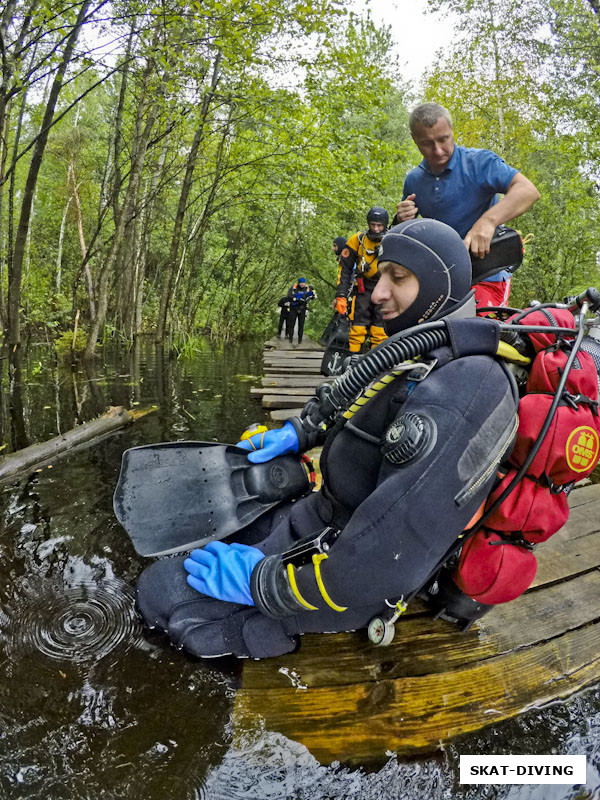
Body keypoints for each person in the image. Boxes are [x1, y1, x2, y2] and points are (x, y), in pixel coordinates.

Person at [136, 219, 519, 659]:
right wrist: (296, 432)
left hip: (352, 576)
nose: (377, 294)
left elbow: (389, 554)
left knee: (160, 592)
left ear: (436, 285)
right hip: (325, 517)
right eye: (379, 277)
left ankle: (265, 649)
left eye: (399, 278)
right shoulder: (420, 353)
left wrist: (264, 582)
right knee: (206, 536)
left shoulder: (468, 387)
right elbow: (347, 394)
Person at [394, 102, 540, 311]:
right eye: (427, 143)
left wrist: (488, 221)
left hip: (487, 275)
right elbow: (408, 236)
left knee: (476, 334)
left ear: (452, 131)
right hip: (441, 283)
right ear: (414, 139)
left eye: (444, 139)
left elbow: (527, 191)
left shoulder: (480, 163)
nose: (438, 150)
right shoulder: (413, 180)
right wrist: (401, 219)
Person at [334, 208, 389, 352]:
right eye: (373, 225)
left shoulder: (393, 240)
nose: (376, 229)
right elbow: (344, 270)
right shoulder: (357, 240)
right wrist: (341, 296)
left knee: (380, 327)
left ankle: (377, 361)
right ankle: (351, 359)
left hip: (385, 289)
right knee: (358, 325)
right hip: (363, 288)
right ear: (368, 224)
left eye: (380, 226)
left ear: (385, 225)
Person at [286, 278, 316, 344]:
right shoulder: (294, 288)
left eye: (303, 283)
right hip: (294, 308)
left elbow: (314, 297)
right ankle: (290, 339)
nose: (302, 284)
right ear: (298, 283)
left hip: (303, 308)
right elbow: (288, 296)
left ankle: (300, 340)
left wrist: (313, 292)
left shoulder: (307, 288)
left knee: (301, 324)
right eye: (301, 283)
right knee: (291, 324)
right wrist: (296, 299)